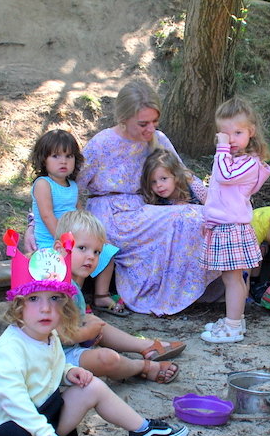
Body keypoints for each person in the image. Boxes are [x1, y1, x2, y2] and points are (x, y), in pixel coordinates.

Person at [0, 239, 187, 436]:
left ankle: (143, 430)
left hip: (45, 419)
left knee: (91, 385)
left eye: (54, 299)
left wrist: (68, 372)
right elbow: (13, 400)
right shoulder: (10, 349)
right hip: (13, 433)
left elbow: (47, 369)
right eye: (34, 299)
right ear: (17, 306)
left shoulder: (48, 336)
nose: (46, 309)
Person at [76, 80, 219, 316]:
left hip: (142, 210)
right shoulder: (103, 143)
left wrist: (214, 204)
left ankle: (187, 290)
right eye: (143, 123)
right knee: (187, 216)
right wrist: (37, 222)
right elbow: (69, 185)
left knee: (201, 217)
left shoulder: (156, 139)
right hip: (110, 215)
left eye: (154, 122)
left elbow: (182, 173)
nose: (150, 129)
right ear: (123, 118)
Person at [51, 210, 186, 383]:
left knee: (90, 319)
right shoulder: (52, 288)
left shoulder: (70, 282)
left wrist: (88, 332)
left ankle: (147, 347)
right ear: (59, 248)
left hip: (65, 349)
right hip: (54, 360)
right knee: (106, 358)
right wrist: (86, 334)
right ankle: (142, 367)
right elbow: (58, 335)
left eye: (97, 252)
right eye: (82, 248)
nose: (90, 257)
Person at [200, 97, 270, 343]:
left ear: (250, 133)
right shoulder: (232, 159)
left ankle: (232, 326)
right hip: (224, 224)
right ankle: (236, 319)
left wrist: (220, 148)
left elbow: (224, 176)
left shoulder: (248, 163)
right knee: (232, 277)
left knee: (233, 278)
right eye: (224, 133)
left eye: (237, 133)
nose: (230, 140)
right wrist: (209, 219)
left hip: (232, 227)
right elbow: (216, 192)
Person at [29, 129, 123, 315]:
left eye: (69, 156)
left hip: (74, 240)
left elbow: (81, 213)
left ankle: (100, 295)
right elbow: (47, 216)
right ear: (43, 160)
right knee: (74, 260)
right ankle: (72, 301)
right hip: (51, 241)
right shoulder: (43, 184)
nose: (63, 161)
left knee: (108, 252)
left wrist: (95, 239)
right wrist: (65, 243)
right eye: (55, 156)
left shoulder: (72, 186)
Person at [140, 148, 208, 205]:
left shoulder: (194, 188)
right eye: (153, 182)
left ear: (176, 175)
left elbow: (214, 209)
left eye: (163, 178)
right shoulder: (157, 200)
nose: (158, 185)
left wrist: (189, 208)